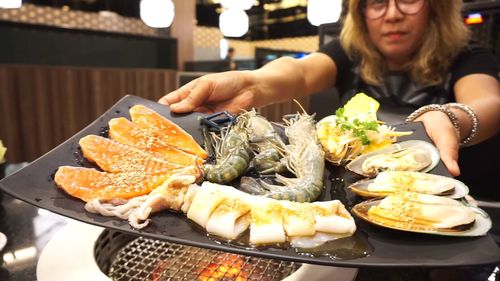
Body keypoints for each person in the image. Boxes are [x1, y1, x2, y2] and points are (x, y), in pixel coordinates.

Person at [160, 0, 500, 196]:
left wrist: (452, 118)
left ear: (434, 8)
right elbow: (302, 72)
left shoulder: (468, 54)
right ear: (361, 13)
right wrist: (253, 83)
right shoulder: (350, 53)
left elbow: (489, 102)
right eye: (377, 2)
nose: (392, 13)